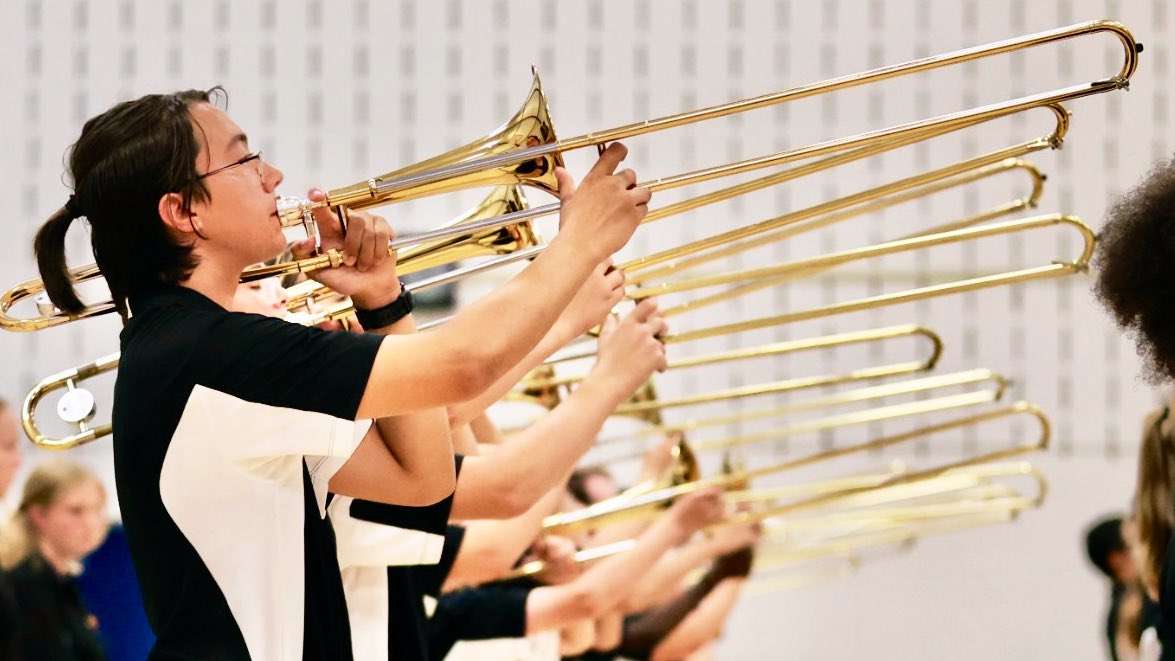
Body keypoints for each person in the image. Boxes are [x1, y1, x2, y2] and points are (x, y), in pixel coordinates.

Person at [31, 87, 649, 659]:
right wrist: (578, 245)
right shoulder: (205, 351)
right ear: (185, 210)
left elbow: (422, 478)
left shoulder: (193, 344)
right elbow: (464, 365)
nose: (273, 176)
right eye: (244, 162)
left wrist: (383, 302)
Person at [0, 460, 109, 660]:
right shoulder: (17, 586)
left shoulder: (62, 583)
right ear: (39, 514)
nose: (92, 523)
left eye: (97, 509)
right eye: (76, 510)